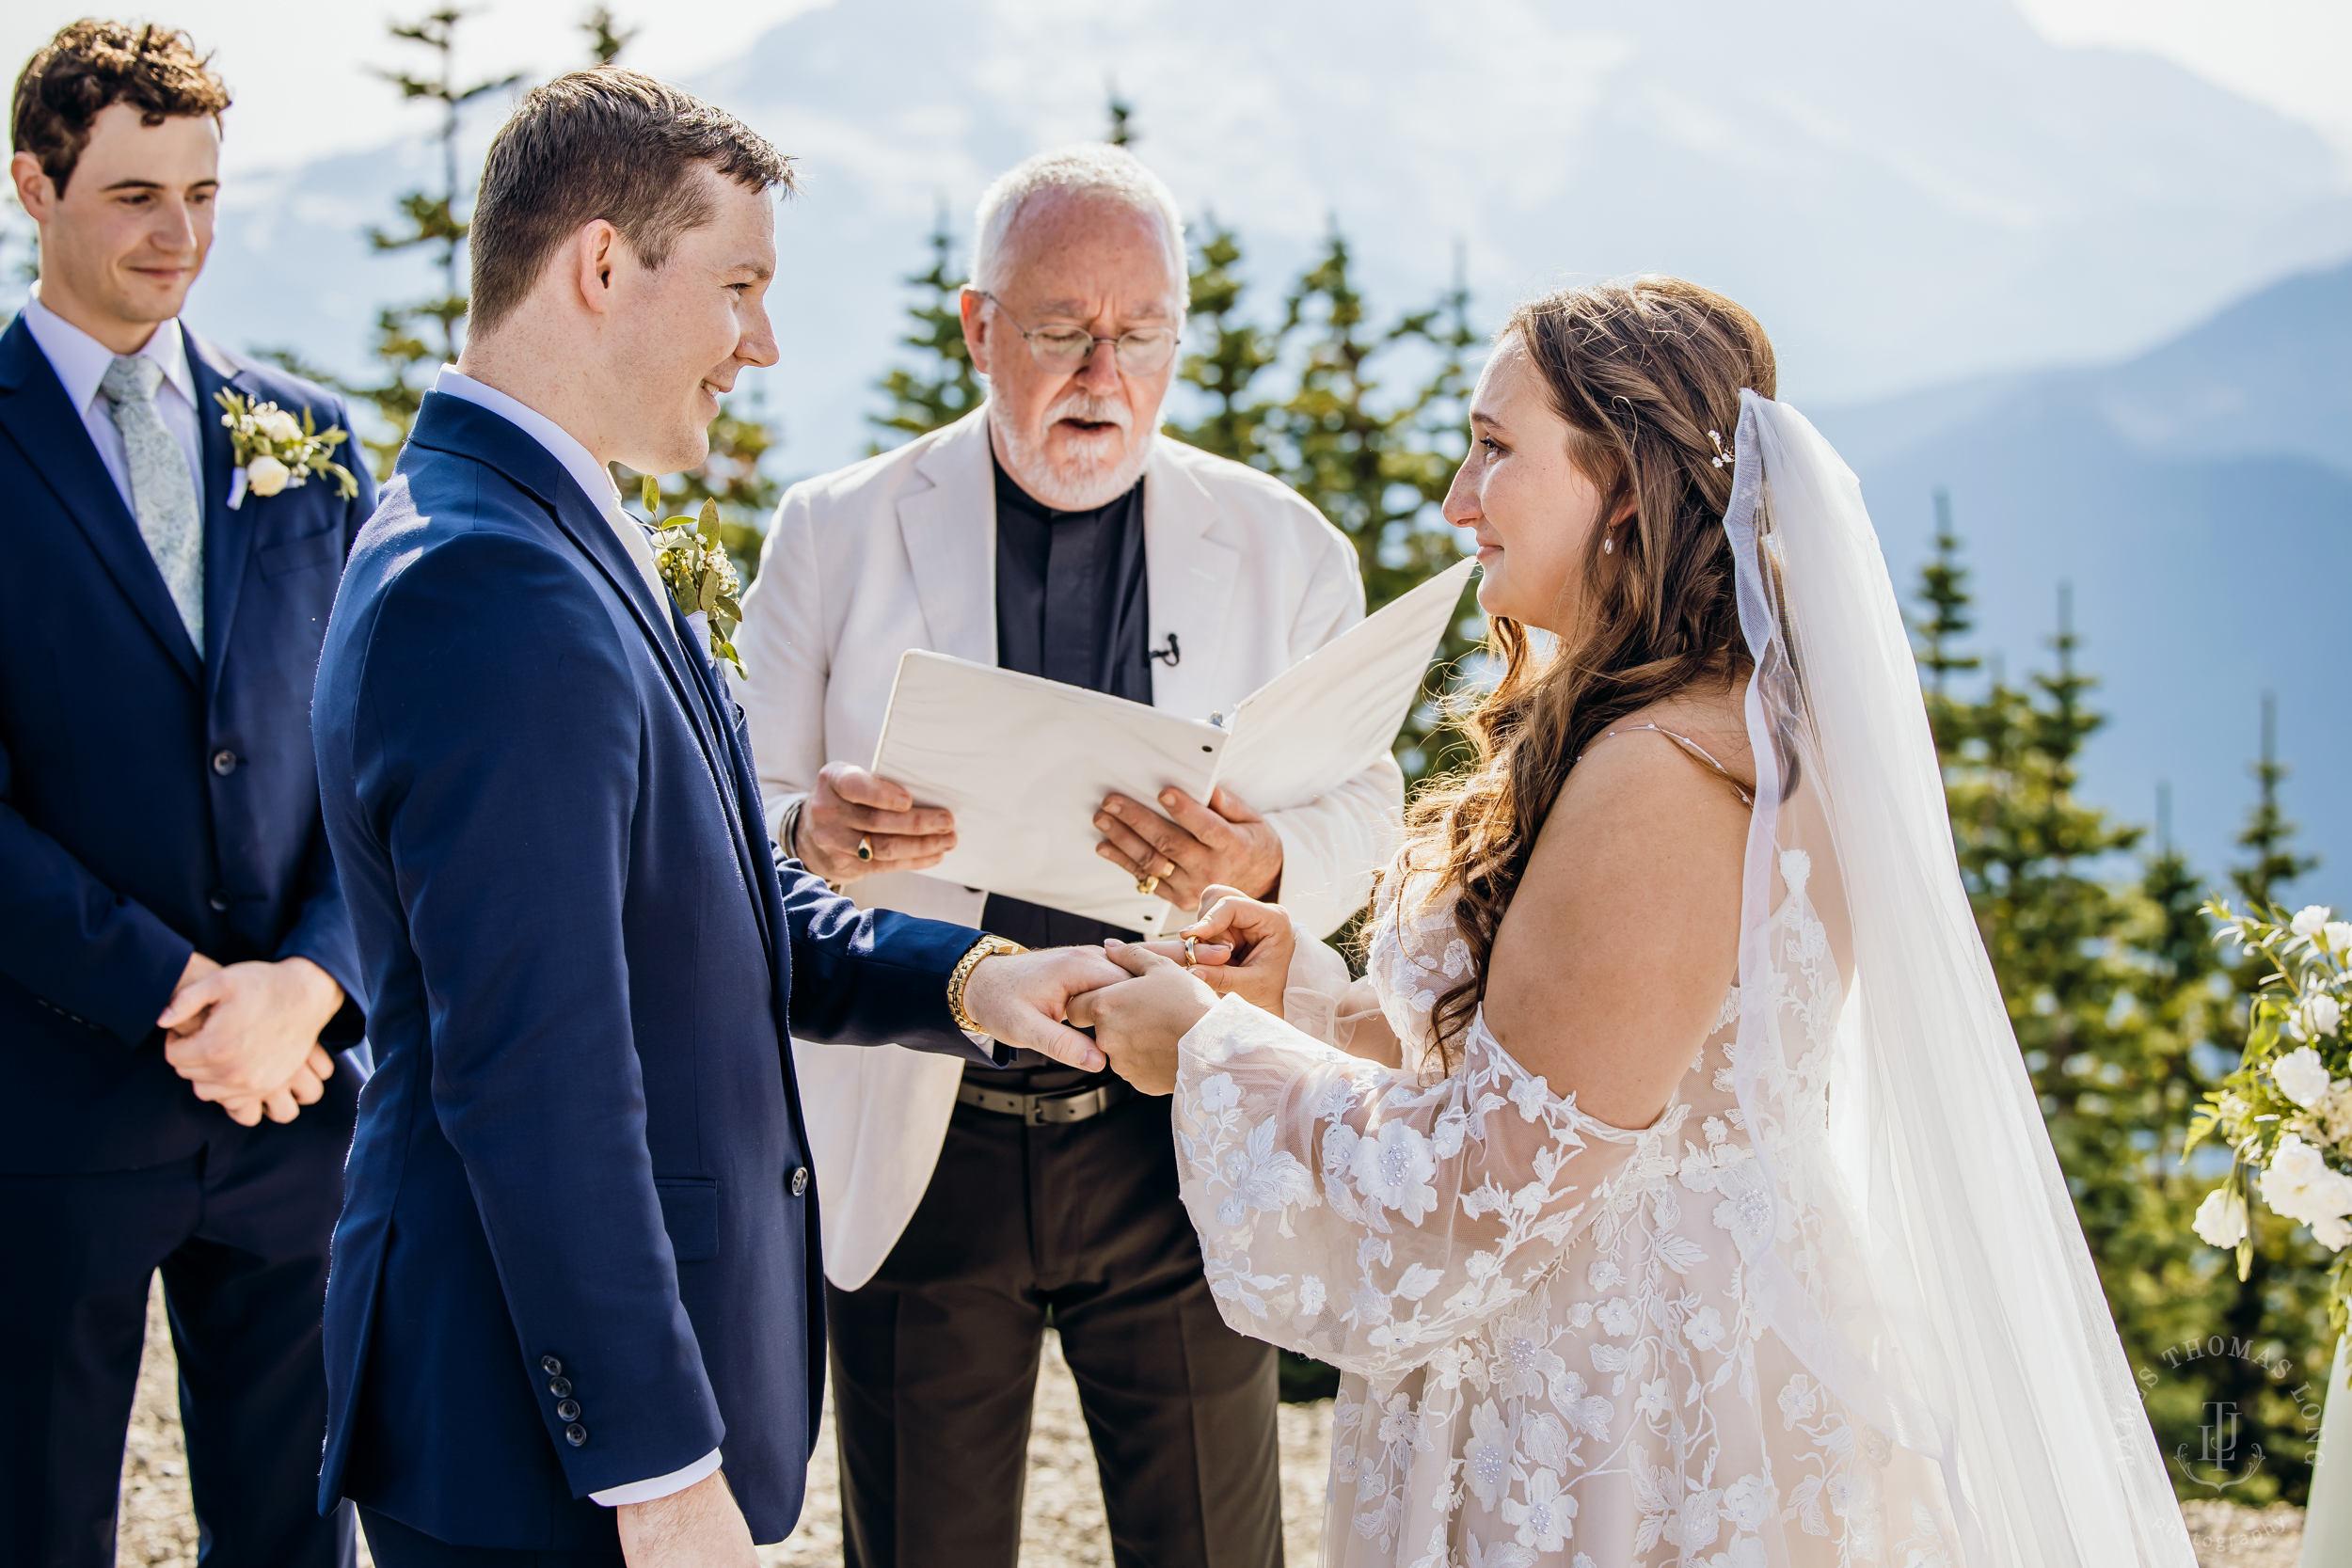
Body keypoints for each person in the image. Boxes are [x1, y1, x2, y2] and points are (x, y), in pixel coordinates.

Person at [1070, 279, 2200, 1565]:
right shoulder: (1704, 721)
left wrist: (1211, 1055)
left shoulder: (1660, 777)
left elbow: (1493, 1174)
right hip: (1638, 1341)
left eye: (1496, 450)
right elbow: (1550, 1059)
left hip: (1619, 1405)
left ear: (1621, 486)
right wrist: (1297, 1004)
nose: (1454, 498)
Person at [310, 70, 1133, 1568]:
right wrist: (652, 1460)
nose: (762, 343)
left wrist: (970, 982)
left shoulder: (551, 529)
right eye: (741, 286)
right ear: (603, 265)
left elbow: (719, 901)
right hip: (538, 1451)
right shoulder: (489, 585)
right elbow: (533, 1074)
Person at [734, 141, 1403, 1565]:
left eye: (1142, 334)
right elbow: (742, 815)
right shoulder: (831, 532)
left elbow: (1372, 811)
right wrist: (812, 830)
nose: (1104, 373)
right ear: (980, 328)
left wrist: (1271, 855)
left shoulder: (1289, 549)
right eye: (1059, 332)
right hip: (927, 1131)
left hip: (1182, 1135)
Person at [0, 23, 378, 1567]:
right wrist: (181, 991)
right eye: (137, 195)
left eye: (206, 195)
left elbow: (378, 762)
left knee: (298, 1543)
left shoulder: (311, 437)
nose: (181, 238)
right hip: (54, 1104)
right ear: (34, 184)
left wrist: (309, 984)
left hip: (295, 1109)